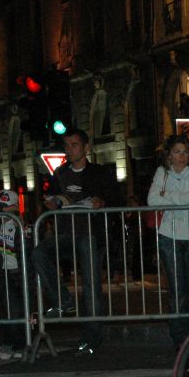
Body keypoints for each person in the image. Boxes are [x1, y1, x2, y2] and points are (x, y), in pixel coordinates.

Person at [33, 127, 118, 356]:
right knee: (39, 253)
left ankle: (92, 337)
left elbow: (114, 196)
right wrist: (51, 203)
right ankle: (64, 301)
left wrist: (103, 201)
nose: (69, 150)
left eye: (74, 145)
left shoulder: (99, 172)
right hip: (66, 232)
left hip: (90, 233)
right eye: (67, 146)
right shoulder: (60, 173)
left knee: (91, 288)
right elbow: (52, 197)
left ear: (86, 148)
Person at [148, 134, 189, 349]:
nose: (181, 156)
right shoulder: (162, 172)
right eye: (177, 151)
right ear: (169, 154)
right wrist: (183, 195)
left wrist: (170, 196)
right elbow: (152, 200)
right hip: (169, 235)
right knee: (176, 289)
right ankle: (178, 336)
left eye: (184, 151)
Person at [0, 190, 28, 360]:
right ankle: (9, 342)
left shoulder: (19, 223)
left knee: (22, 309)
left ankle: (21, 343)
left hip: (19, 271)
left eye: (7, 208)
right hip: (4, 272)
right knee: (9, 309)